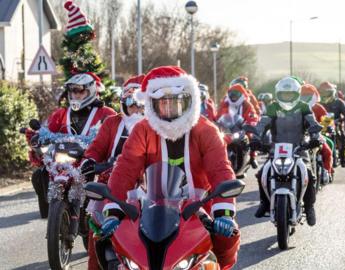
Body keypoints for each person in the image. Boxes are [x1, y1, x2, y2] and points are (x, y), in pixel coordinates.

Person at [99, 66, 240, 269]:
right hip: (152, 207)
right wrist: (112, 211)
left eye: (176, 103)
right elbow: (125, 168)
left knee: (225, 242)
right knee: (106, 243)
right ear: (151, 105)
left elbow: (220, 170)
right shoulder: (143, 130)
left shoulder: (206, 130)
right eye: (162, 103)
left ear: (189, 102)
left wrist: (224, 214)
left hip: (199, 207)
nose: (169, 109)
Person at [80, 74, 145, 270]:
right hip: (110, 187)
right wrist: (90, 160)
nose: (135, 108)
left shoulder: (156, 127)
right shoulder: (112, 123)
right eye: (130, 102)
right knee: (97, 236)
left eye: (140, 103)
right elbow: (97, 147)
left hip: (148, 189)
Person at [252, 76, 324, 226]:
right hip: (276, 148)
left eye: (290, 94)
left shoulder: (304, 107)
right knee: (261, 174)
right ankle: (264, 203)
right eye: (284, 94)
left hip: (299, 147)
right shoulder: (273, 107)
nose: (287, 97)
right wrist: (255, 138)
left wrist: (315, 137)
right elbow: (262, 124)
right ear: (278, 94)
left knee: (309, 175)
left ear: (297, 93)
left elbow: (312, 123)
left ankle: (309, 207)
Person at [47, 72, 116, 135]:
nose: (77, 95)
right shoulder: (60, 114)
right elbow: (47, 135)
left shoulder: (107, 113)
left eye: (81, 92)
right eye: (74, 92)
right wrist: (38, 131)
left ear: (91, 91)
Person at [217, 83, 260, 168]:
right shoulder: (225, 103)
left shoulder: (246, 104)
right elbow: (219, 115)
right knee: (216, 139)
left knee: (250, 137)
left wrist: (249, 123)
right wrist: (217, 122)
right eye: (231, 94)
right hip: (227, 129)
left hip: (241, 128)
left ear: (241, 94)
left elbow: (252, 115)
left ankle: (252, 157)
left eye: (236, 94)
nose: (233, 96)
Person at [300, 84, 333, 175]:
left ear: (314, 96)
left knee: (327, 152)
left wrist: (328, 126)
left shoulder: (318, 108)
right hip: (300, 137)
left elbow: (327, 120)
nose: (306, 98)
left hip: (317, 135)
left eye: (308, 96)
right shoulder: (296, 108)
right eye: (303, 96)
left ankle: (328, 172)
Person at [318, 82, 345, 168]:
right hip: (321, 125)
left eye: (328, 92)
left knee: (342, 136)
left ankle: (343, 158)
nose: (325, 95)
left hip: (336, 124)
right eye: (323, 93)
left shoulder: (339, 102)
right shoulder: (318, 103)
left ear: (333, 92)